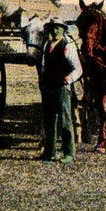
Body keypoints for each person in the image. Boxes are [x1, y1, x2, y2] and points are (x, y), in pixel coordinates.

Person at [37, 18, 82, 164]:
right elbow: (44, 65)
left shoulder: (67, 45)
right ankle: (49, 153)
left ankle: (68, 153)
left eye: (58, 28)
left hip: (61, 88)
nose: (55, 31)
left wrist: (68, 79)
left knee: (64, 120)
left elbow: (78, 69)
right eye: (53, 28)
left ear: (63, 30)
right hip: (48, 87)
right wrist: (43, 80)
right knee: (49, 121)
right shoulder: (47, 45)